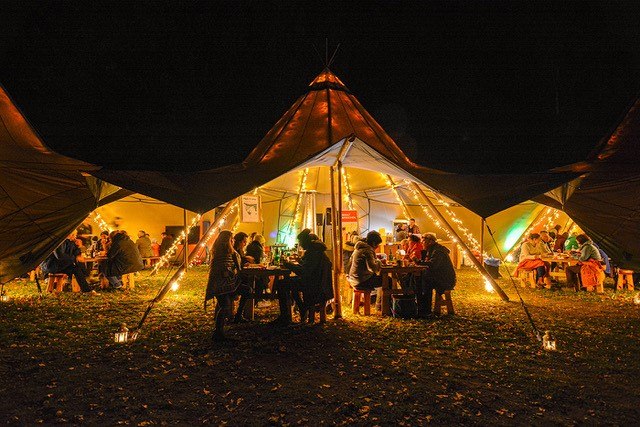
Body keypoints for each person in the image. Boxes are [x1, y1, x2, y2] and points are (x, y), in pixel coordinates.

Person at [282, 230, 333, 324]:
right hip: (319, 283)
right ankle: (302, 307)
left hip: (313, 285)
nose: (300, 245)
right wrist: (300, 262)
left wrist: (289, 265)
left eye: (300, 242)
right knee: (291, 283)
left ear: (305, 241)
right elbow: (310, 268)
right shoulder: (318, 251)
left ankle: (287, 315)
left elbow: (304, 272)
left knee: (282, 284)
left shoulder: (313, 253)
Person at [205, 230, 244, 342]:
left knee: (224, 304)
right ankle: (218, 333)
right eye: (231, 239)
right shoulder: (224, 252)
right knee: (225, 306)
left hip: (222, 283)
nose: (233, 241)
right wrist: (233, 272)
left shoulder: (221, 251)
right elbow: (224, 268)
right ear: (227, 240)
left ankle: (220, 330)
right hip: (221, 283)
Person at [416, 232, 456, 318]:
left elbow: (433, 265)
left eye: (423, 242)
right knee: (419, 279)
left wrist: (418, 262)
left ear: (430, 242)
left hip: (445, 280)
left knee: (425, 282)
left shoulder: (438, 251)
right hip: (439, 276)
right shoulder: (432, 250)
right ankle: (421, 308)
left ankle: (426, 311)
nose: (422, 244)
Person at [347, 231, 383, 311]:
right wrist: (379, 262)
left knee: (384, 280)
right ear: (373, 243)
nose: (377, 246)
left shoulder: (359, 248)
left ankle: (379, 306)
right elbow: (372, 268)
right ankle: (380, 307)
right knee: (387, 281)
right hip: (361, 280)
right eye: (377, 244)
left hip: (353, 278)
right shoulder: (367, 250)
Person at [245, 234, 269, 304]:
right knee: (263, 278)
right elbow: (259, 261)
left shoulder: (249, 246)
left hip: (248, 269)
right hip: (255, 269)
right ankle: (260, 297)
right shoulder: (259, 248)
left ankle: (259, 298)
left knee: (263, 278)